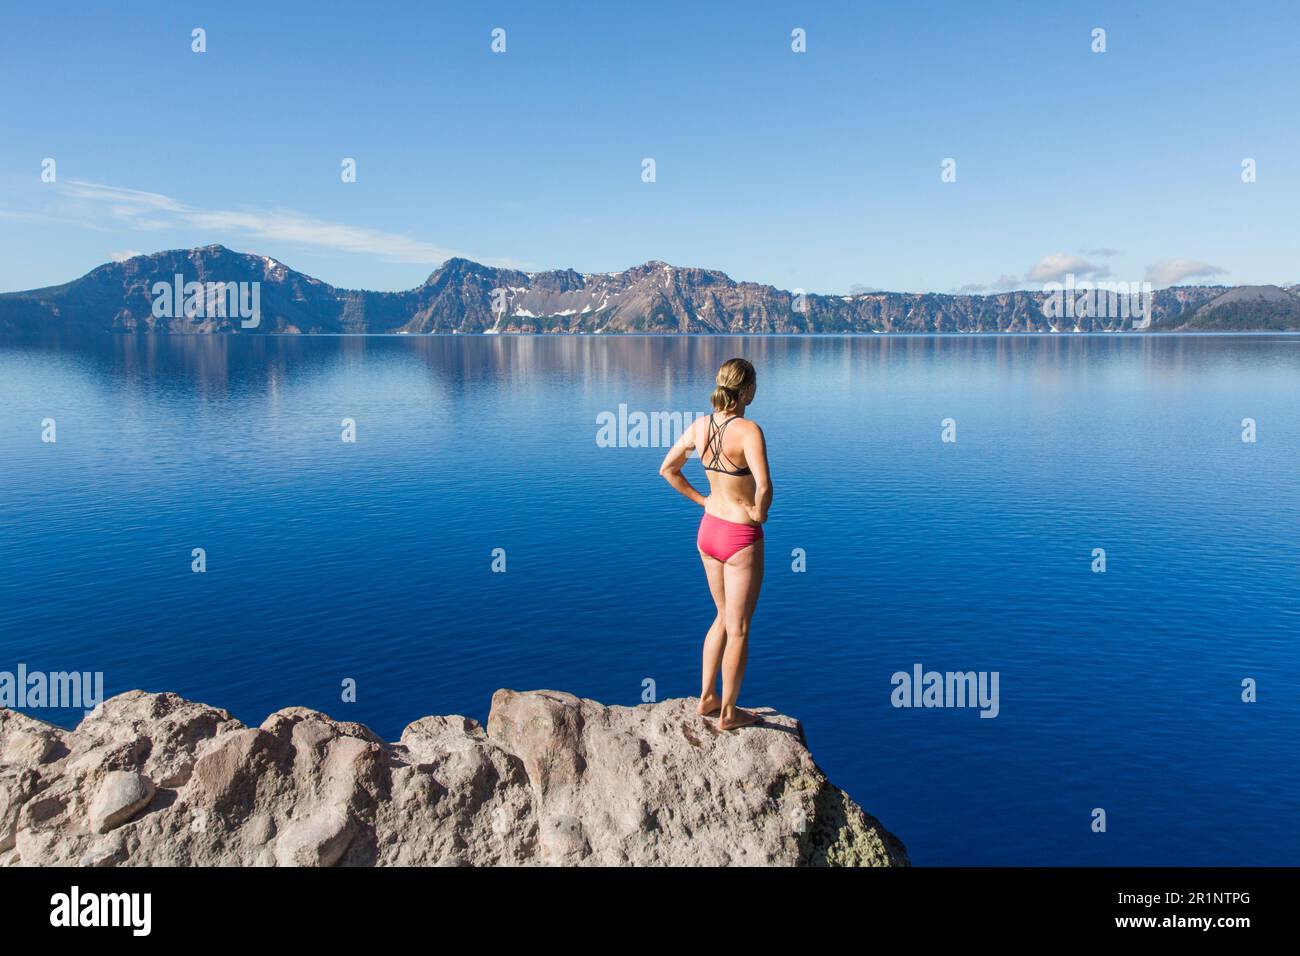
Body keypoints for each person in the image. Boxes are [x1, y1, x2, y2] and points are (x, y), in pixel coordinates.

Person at [658, 358, 771, 730]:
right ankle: (728, 713)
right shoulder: (749, 430)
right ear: (748, 390)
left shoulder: (700, 426)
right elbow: (765, 486)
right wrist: (759, 512)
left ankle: (707, 697)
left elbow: (668, 470)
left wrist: (702, 500)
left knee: (722, 618)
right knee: (739, 628)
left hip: (708, 532)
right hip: (739, 537)